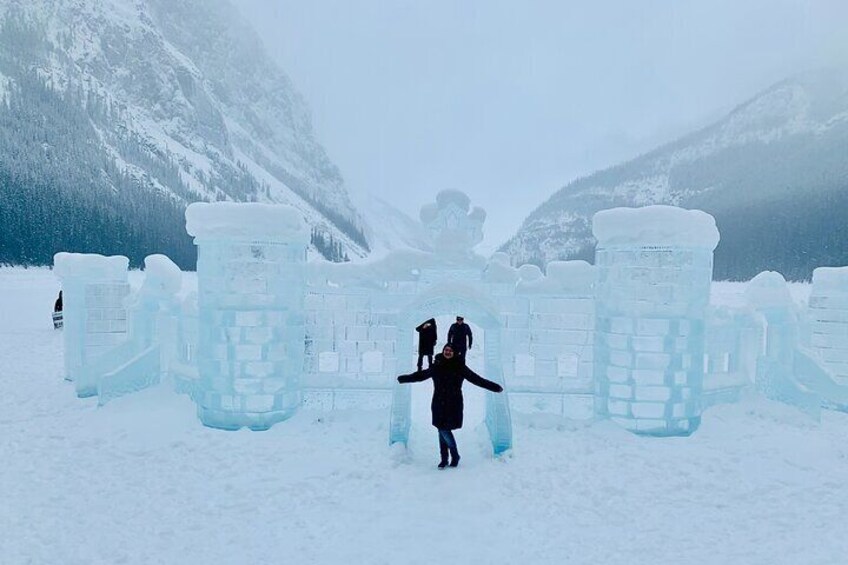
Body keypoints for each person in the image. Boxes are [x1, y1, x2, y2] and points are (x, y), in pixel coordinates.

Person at [397, 344, 503, 469]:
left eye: (450, 350)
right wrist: (404, 379)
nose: (447, 352)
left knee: (443, 429)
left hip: (453, 403)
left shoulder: (460, 367)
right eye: (446, 350)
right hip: (438, 403)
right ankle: (444, 459)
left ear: (455, 353)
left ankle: (454, 454)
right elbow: (421, 375)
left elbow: (476, 379)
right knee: (441, 429)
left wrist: (494, 387)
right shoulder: (437, 365)